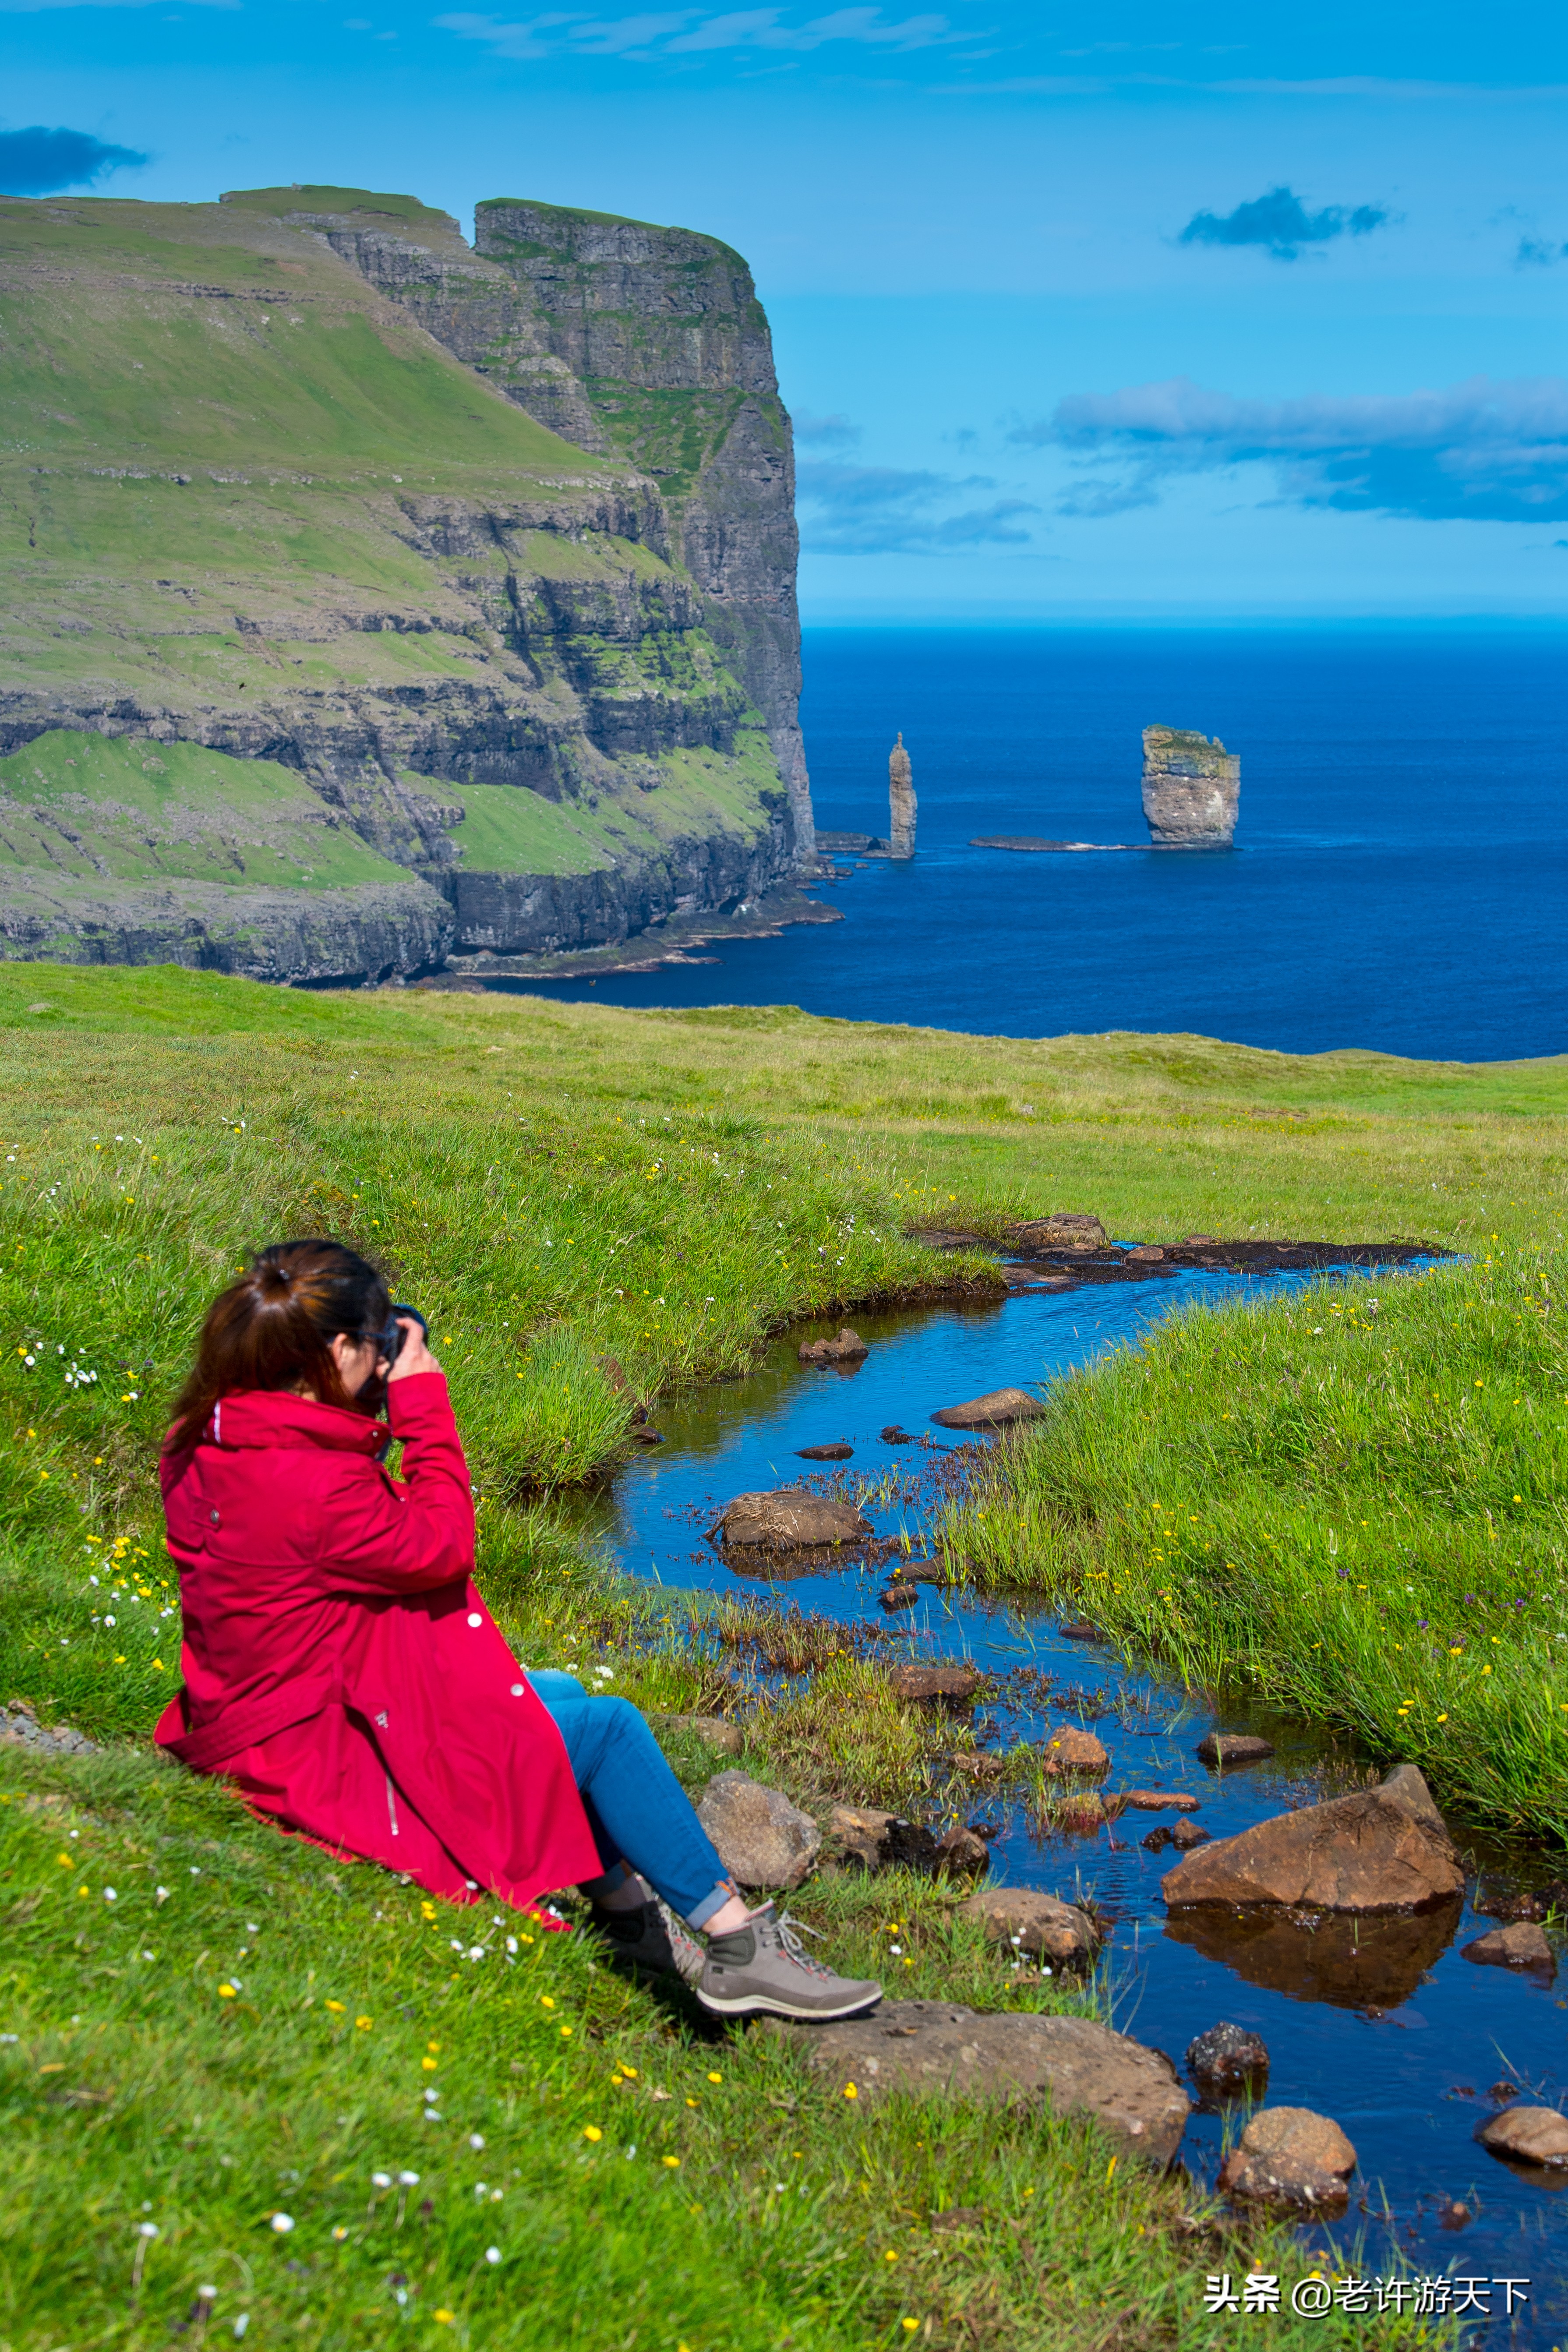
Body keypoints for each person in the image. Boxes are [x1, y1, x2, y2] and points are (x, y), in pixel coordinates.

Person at [155, 1239, 880, 2023]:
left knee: (556, 1693)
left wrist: (359, 1401)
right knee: (605, 1728)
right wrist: (423, 1405)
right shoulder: (313, 1483)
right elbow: (441, 1546)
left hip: (257, 1712)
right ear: (336, 1350)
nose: (387, 1353)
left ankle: (626, 1917)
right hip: (320, 1755)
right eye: (374, 1341)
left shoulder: (211, 1436)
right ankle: (737, 1948)